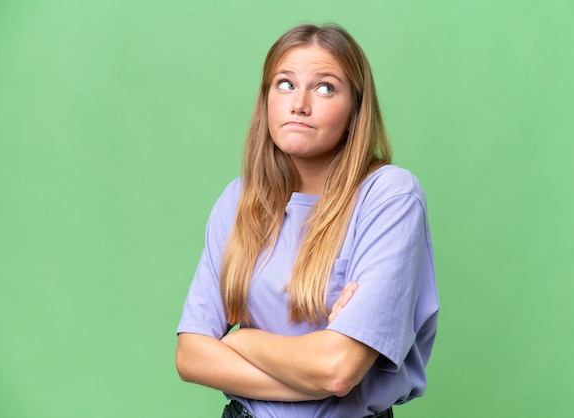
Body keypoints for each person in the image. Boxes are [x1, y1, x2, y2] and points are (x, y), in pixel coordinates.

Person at [175, 23, 439, 418]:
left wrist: (242, 343)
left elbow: (337, 371)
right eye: (285, 84)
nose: (299, 103)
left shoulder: (390, 196)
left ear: (355, 111)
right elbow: (190, 356)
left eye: (325, 87)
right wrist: (311, 364)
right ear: (266, 100)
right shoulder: (237, 200)